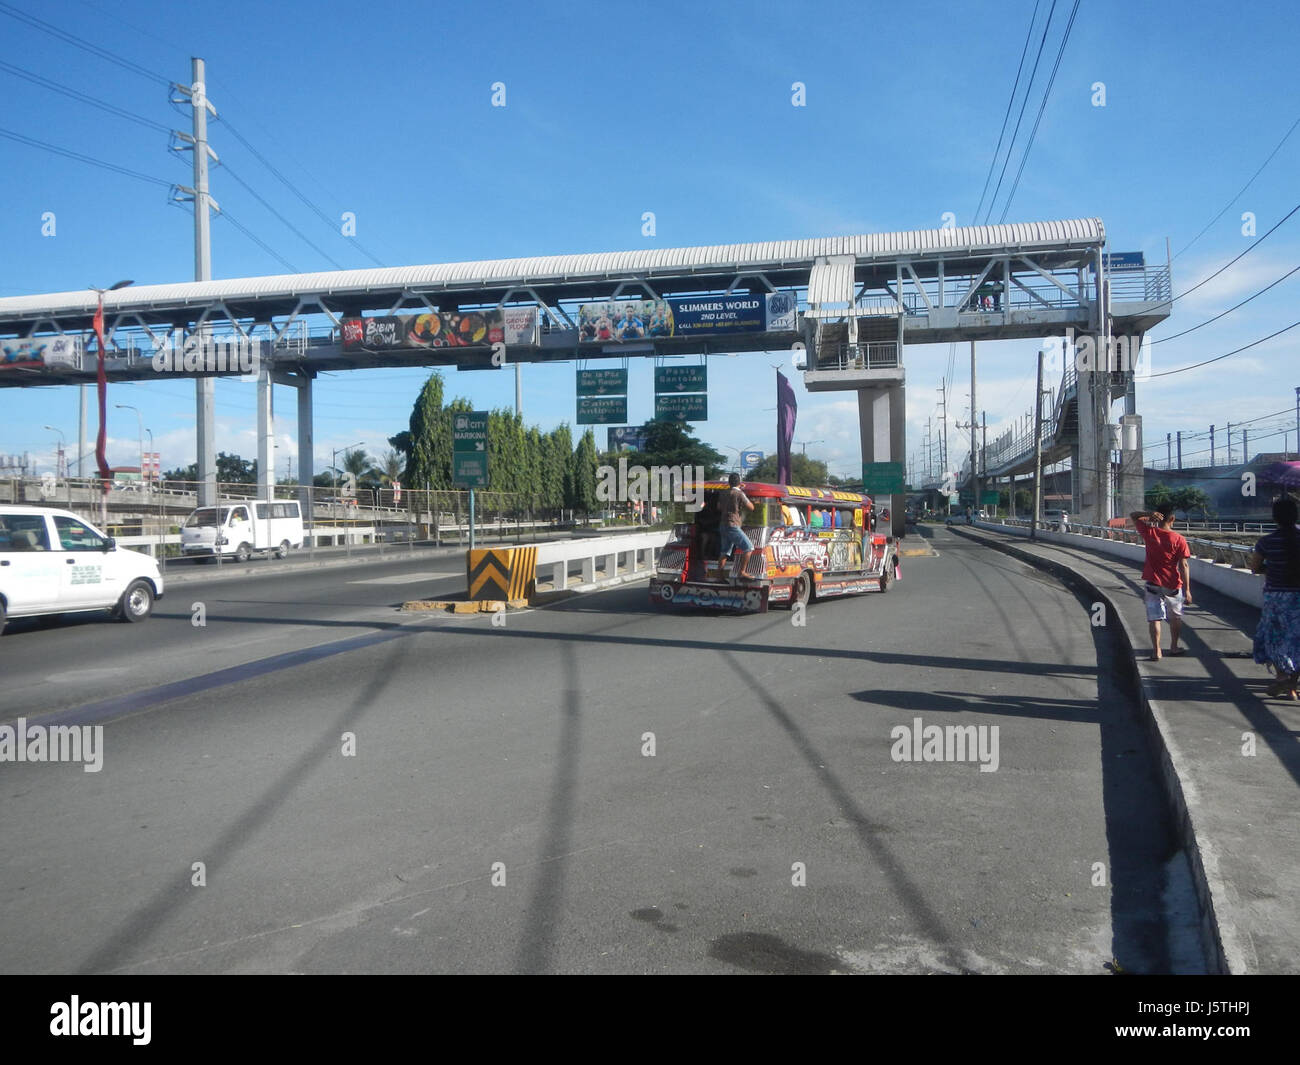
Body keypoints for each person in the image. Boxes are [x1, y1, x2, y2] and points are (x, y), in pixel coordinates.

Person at [1249, 496, 1300, 699]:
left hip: (1277, 597)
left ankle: (1282, 679)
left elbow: (1254, 568)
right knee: (1297, 640)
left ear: (1275, 518)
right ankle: (1292, 684)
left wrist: (1270, 568)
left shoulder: (1267, 542)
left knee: (1275, 638)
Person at [1130, 508, 1193, 661]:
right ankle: (1173, 647)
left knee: (1154, 618)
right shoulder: (1179, 539)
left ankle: (1157, 651)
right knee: (1175, 618)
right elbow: (1183, 566)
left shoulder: (1150, 533)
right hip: (1172, 584)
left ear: (1157, 518)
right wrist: (1188, 590)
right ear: (1172, 519)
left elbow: (1133, 516)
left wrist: (1147, 514)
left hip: (1152, 583)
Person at [719, 473, 754, 559]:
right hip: (733, 524)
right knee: (749, 548)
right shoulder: (739, 493)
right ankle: (742, 571)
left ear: (729, 482)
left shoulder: (723, 493)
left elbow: (719, 507)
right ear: (739, 482)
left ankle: (719, 572)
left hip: (723, 524)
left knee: (725, 552)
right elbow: (751, 507)